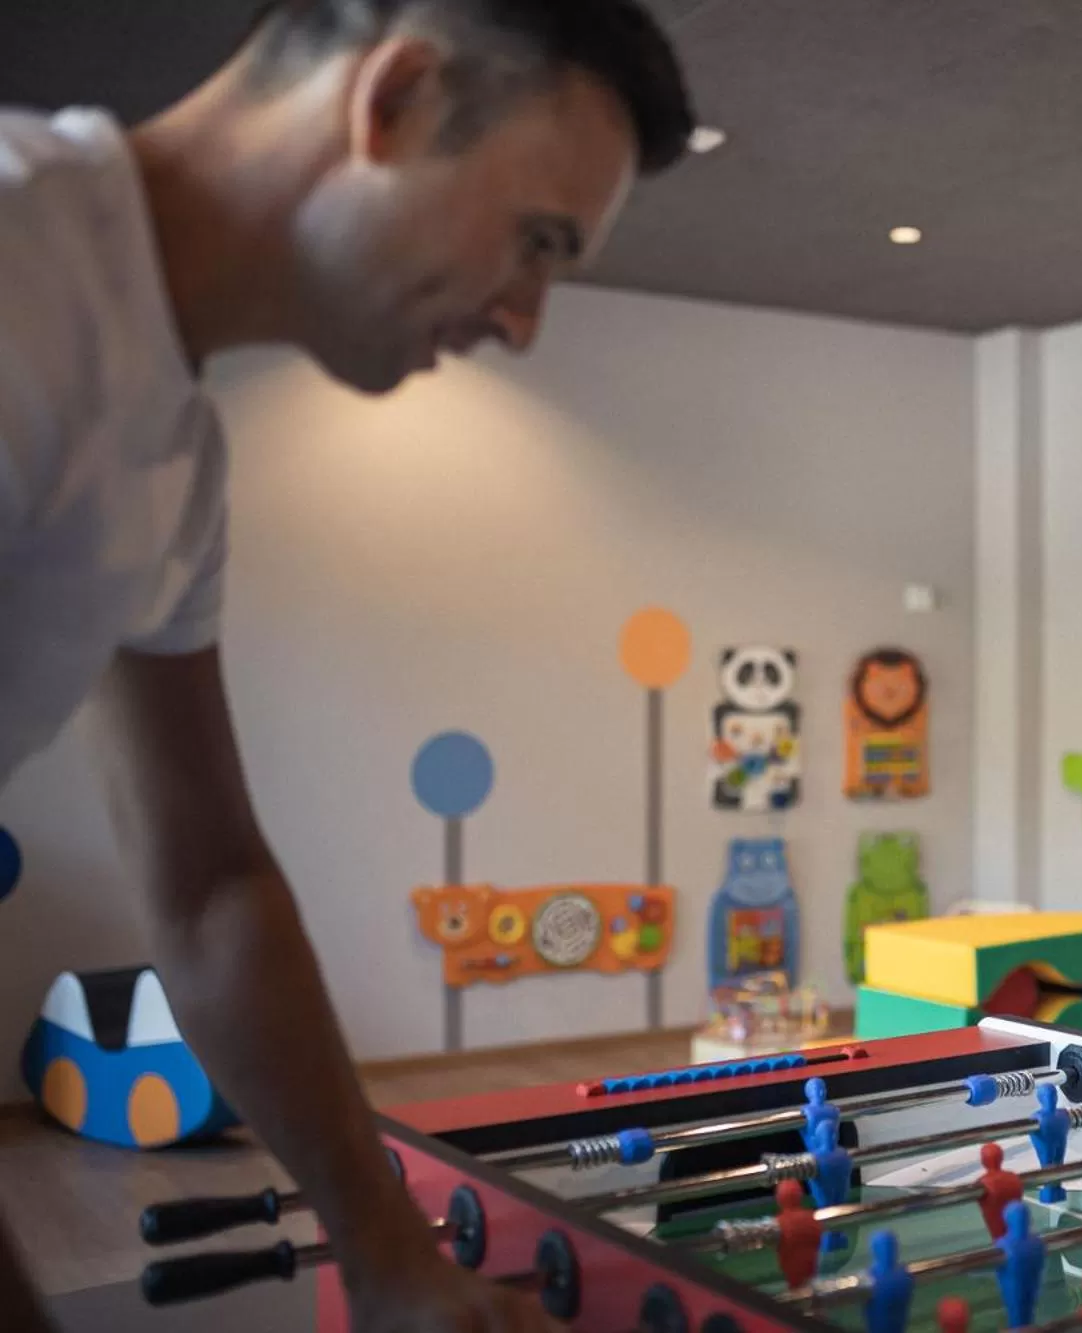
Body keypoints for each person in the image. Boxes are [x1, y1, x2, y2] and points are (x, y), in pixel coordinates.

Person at [0, 2, 694, 1328]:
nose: (526, 319)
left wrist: (389, 1255)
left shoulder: (175, 460)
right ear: (396, 101)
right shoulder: (19, 269)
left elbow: (213, 887)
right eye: (537, 241)